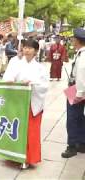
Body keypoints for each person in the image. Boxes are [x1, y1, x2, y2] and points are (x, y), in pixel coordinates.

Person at [3, 39, 49, 168]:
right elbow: (7, 77)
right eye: (25, 48)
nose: (27, 50)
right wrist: (10, 81)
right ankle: (13, 156)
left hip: (31, 103)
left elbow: (44, 86)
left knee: (30, 131)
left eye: (30, 48)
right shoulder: (15, 63)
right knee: (14, 129)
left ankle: (29, 158)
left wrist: (31, 83)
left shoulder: (40, 68)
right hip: (16, 102)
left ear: (35, 51)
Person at [61, 28, 85, 158]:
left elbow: (81, 75)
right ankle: (81, 143)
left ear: (78, 40)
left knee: (72, 118)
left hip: (77, 89)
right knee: (80, 117)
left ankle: (72, 146)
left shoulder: (83, 55)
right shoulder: (80, 53)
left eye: (73, 38)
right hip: (78, 88)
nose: (72, 40)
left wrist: (79, 94)